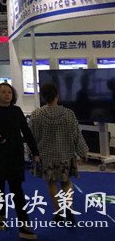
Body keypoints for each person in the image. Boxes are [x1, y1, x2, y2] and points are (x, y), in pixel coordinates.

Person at [0, 83, 40, 240]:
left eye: (9, 92)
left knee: (18, 191)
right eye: (3, 92)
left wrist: (35, 152)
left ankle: (24, 224)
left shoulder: (16, 111)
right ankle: (1, 215)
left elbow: (26, 131)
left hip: (15, 156)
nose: (7, 94)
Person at [29, 83, 88, 223]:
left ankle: (59, 214)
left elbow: (31, 137)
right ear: (57, 96)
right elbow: (76, 135)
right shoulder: (68, 114)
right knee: (66, 183)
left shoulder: (36, 115)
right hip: (65, 155)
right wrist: (83, 152)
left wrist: (31, 154)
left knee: (52, 184)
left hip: (46, 157)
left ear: (43, 96)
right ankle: (69, 210)